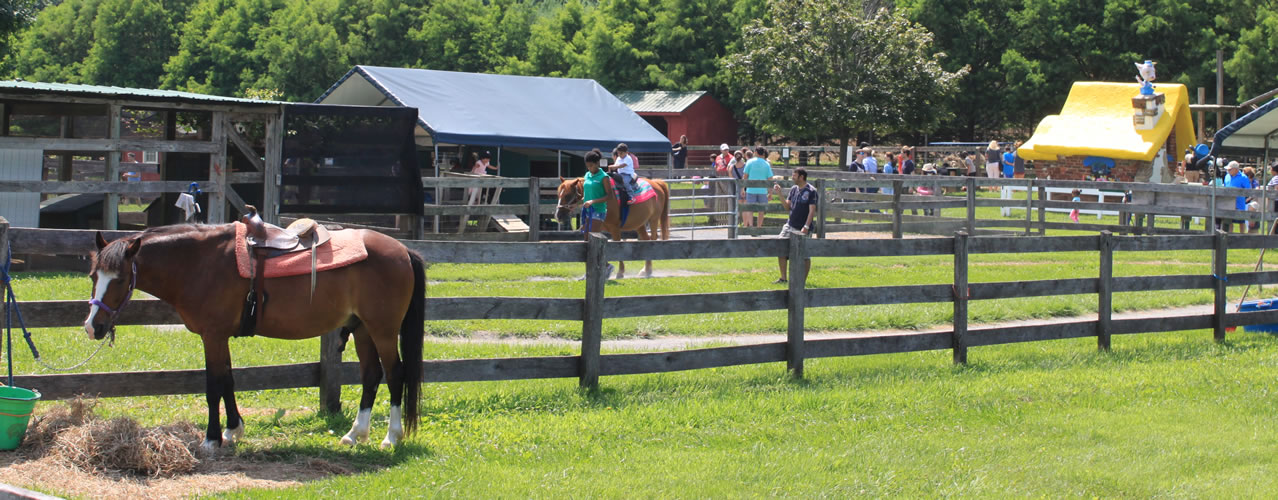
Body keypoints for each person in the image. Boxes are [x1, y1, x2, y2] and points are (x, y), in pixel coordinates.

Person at [770, 167, 818, 284]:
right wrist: (780, 194)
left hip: (803, 227)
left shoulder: (811, 191)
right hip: (790, 224)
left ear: (801, 177)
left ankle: (802, 281)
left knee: (804, 255)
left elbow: (812, 211)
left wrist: (806, 227)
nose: (792, 177)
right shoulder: (793, 189)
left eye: (794, 175)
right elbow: (787, 207)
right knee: (780, 248)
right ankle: (783, 278)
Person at [579, 149, 616, 277]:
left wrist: (593, 201)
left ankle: (606, 266)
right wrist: (580, 203)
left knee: (592, 240)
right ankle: (589, 271)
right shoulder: (587, 175)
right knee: (585, 240)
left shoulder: (604, 177)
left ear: (597, 163)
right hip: (587, 211)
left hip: (598, 211)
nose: (589, 168)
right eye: (587, 166)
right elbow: (587, 193)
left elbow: (609, 196)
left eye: (591, 165)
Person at [742, 146, 775, 228]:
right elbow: (770, 179)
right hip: (762, 191)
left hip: (751, 190)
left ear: (756, 152)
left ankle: (751, 226)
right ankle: (759, 227)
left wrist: (743, 188)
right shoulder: (766, 164)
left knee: (750, 209)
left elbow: (745, 177)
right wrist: (770, 193)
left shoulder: (749, 162)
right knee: (761, 210)